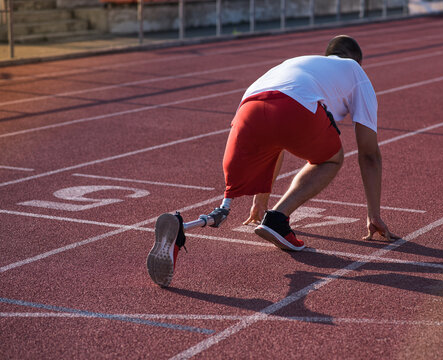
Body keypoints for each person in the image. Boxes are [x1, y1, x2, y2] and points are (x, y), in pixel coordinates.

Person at [147, 35, 397, 287]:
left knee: (225, 207)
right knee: (331, 159)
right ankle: (278, 218)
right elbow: (368, 154)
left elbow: (275, 129)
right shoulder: (355, 71)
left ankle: (181, 227)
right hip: (293, 109)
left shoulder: (297, 63)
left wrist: (260, 198)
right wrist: (373, 214)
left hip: (247, 110)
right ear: (358, 61)